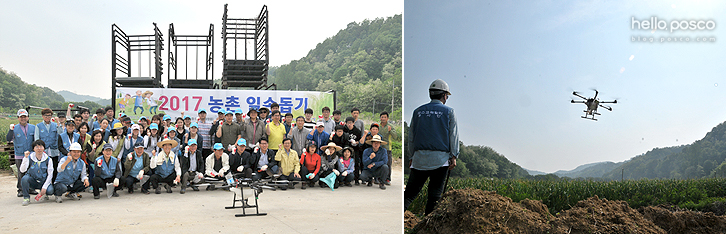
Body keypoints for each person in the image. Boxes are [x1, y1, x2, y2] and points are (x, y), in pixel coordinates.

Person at [404, 79, 459, 215]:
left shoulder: (418, 112)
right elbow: (453, 135)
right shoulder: (449, 111)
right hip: (440, 160)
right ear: (444, 95)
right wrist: (454, 155)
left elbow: (411, 137)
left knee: (409, 194)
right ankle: (427, 226)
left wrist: (411, 156)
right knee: (434, 195)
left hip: (419, 159)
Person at [9, 109, 35, 197]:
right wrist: (10, 130)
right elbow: (8, 139)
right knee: (21, 172)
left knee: (30, 171)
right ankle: (20, 189)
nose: (23, 119)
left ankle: (30, 188)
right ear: (18, 118)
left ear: (27, 117)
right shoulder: (14, 128)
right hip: (20, 154)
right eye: (21, 117)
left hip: (31, 153)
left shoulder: (33, 127)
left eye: (25, 117)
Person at [19, 140, 54, 205]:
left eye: (41, 146)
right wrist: (25, 158)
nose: (39, 149)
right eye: (37, 147)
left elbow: (50, 174)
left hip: (43, 181)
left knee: (50, 191)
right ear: (33, 148)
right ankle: (26, 198)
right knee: (24, 179)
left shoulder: (48, 159)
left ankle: (44, 193)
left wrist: (45, 187)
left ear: (44, 148)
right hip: (33, 181)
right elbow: (22, 170)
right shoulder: (29, 157)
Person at [34, 108, 59, 184]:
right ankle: (45, 186)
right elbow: (37, 139)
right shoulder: (38, 126)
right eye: (46, 116)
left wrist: (59, 124)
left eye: (49, 115)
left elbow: (60, 135)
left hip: (54, 150)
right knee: (44, 169)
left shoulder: (55, 125)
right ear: (42, 116)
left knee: (54, 168)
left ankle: (54, 185)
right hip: (44, 151)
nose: (47, 117)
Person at [343, 116, 363, 185]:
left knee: (356, 163)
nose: (349, 124)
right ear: (345, 123)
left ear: (354, 123)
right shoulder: (344, 129)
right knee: (345, 163)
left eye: (351, 123)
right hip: (346, 149)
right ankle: (345, 179)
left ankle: (356, 179)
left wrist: (356, 142)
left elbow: (360, 141)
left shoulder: (357, 131)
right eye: (348, 123)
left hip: (355, 149)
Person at [378, 111, 394, 185]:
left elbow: (395, 136)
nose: (383, 118)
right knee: (378, 162)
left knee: (388, 163)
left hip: (387, 148)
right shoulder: (377, 126)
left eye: (385, 117)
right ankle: (378, 178)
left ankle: (387, 179)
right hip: (378, 147)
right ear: (380, 118)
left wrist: (390, 131)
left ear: (387, 118)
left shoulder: (390, 126)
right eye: (382, 117)